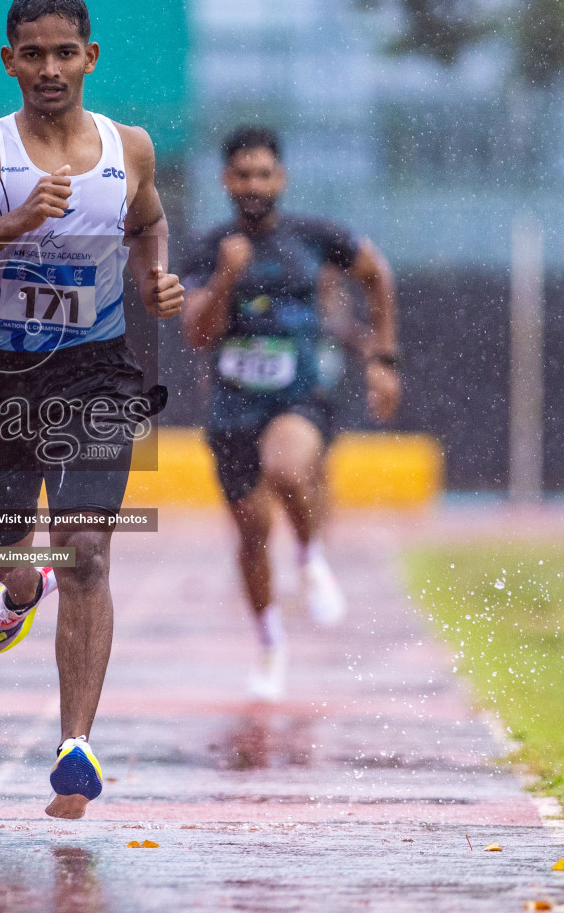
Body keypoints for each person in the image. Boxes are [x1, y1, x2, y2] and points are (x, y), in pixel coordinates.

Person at [0, 0, 184, 818]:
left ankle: (75, 746)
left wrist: (153, 278)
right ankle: (21, 592)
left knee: (87, 551)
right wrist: (11, 226)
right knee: (4, 553)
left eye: (66, 52)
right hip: (0, 378)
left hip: (95, 372)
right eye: (34, 53)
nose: (50, 68)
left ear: (90, 57)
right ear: (9, 61)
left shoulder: (129, 147)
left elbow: (148, 221)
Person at [182, 125, 400, 700]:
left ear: (280, 178)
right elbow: (199, 334)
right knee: (252, 533)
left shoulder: (314, 236)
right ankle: (270, 641)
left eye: (264, 174)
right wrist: (228, 275)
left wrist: (383, 358)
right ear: (227, 180)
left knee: (287, 470)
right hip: (231, 407)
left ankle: (309, 555)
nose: (254, 185)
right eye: (243, 175)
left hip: (299, 395)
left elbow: (377, 274)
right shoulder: (207, 247)